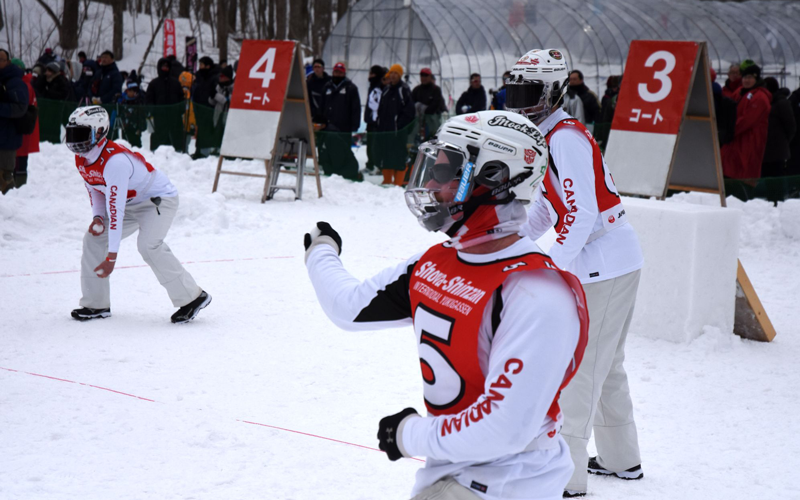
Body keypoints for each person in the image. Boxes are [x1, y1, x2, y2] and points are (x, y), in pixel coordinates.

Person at [305, 109, 588, 500]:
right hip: (451, 473)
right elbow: (348, 306)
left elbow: (505, 427)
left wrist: (410, 434)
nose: (431, 185)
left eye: (445, 171)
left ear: (495, 178)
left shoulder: (537, 291)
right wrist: (322, 252)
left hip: (514, 481)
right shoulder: (433, 263)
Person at [505, 48, 645, 498]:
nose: (520, 101)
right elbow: (549, 205)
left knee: (582, 367)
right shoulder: (546, 135)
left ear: (552, 92)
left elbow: (582, 213)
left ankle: (567, 477)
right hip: (606, 260)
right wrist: (512, 243)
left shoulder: (564, 136)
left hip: (604, 262)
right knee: (609, 366)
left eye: (528, 92)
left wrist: (551, 269)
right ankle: (622, 459)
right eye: (515, 90)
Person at [66, 106, 211, 323]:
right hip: (129, 203)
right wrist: (97, 217)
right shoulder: (83, 157)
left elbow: (115, 213)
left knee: (148, 245)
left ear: (99, 132)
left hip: (157, 201)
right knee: (93, 239)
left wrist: (111, 258)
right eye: (71, 133)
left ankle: (192, 297)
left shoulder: (115, 162)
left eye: (80, 134)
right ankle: (96, 304)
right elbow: (95, 187)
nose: (74, 141)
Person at [721, 64, 771, 180]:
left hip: (748, 142)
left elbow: (746, 120)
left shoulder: (759, 97)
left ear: (756, 79)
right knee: (730, 170)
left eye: (750, 78)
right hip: (736, 142)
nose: (746, 80)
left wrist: (729, 130)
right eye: (744, 77)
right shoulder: (740, 92)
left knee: (742, 173)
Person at [318, 62, 361, 180]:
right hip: (328, 127)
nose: (337, 74)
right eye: (336, 71)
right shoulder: (327, 87)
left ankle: (343, 172)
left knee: (344, 150)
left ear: (344, 73)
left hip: (344, 127)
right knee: (328, 149)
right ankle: (330, 169)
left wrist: (354, 125)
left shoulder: (351, 88)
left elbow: (356, 108)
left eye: (340, 72)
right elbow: (321, 106)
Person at [377, 63, 415, 186]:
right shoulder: (386, 89)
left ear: (400, 75)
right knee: (385, 155)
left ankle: (398, 182)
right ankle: (387, 180)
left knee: (399, 156)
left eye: (396, 73)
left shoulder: (403, 89)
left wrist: (399, 126)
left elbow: (409, 111)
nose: (393, 76)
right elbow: (381, 109)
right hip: (385, 131)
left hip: (398, 132)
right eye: (391, 73)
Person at [0, 48, 29, 194]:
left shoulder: (15, 82)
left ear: (8, 62)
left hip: (6, 139)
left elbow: (20, 108)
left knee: (4, 178)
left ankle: (11, 212)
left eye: (1, 60)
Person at [145, 57, 186, 152]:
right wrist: (152, 110)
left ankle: (177, 154)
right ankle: (156, 153)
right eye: (163, 66)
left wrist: (181, 109)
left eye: (167, 66)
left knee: (176, 137)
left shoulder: (176, 83)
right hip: (160, 117)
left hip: (175, 117)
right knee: (160, 137)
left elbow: (181, 99)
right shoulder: (153, 83)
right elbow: (149, 99)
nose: (165, 68)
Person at [11, 57, 39, 188]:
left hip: (20, 128)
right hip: (21, 128)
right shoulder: (24, 84)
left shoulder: (24, 86)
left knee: (19, 158)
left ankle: (19, 187)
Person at [761, 77, 796, 178]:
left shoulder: (781, 103)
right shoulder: (768, 102)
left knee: (776, 179)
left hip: (777, 152)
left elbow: (791, 126)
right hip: (768, 151)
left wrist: (783, 142)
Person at [411, 67, 447, 140]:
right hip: (418, 120)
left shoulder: (436, 90)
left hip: (432, 120)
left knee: (433, 136)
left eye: (426, 75)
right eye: (422, 76)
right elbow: (411, 104)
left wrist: (424, 110)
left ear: (430, 77)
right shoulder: (416, 90)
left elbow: (436, 105)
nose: (424, 78)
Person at [364, 65, 386, 174]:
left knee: (376, 145)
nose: (370, 76)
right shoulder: (372, 87)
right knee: (370, 144)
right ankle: (371, 164)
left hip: (378, 122)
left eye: (372, 73)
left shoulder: (380, 87)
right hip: (371, 121)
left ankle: (378, 165)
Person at [117, 82, 146, 147]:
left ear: (135, 92)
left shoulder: (139, 102)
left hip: (135, 128)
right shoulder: (124, 101)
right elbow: (121, 112)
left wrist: (140, 128)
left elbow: (141, 116)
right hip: (126, 127)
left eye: (130, 91)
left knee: (136, 144)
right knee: (125, 144)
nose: (128, 93)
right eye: (128, 91)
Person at [307, 58, 331, 123]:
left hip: (328, 115)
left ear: (323, 68)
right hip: (315, 116)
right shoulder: (309, 83)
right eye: (315, 67)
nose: (317, 69)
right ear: (313, 69)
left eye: (319, 67)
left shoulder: (330, 81)